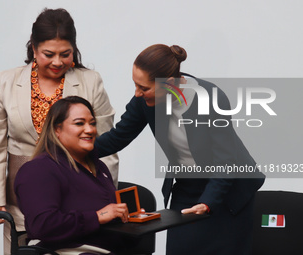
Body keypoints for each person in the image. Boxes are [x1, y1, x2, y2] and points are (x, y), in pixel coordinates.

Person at [95, 44, 265, 255]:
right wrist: (69, 151)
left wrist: (207, 202)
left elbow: (225, 160)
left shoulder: (210, 98)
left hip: (229, 190)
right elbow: (117, 138)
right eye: (135, 85)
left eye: (144, 88)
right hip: (188, 186)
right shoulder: (143, 102)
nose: (137, 93)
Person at [0, 8, 118, 255]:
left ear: (74, 50)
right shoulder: (6, 81)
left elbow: (106, 145)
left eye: (65, 54)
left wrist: (107, 200)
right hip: (20, 198)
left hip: (76, 197)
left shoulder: (91, 81)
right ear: (33, 48)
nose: (57, 62)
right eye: (48, 54)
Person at [14, 96, 131, 255]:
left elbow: (105, 218)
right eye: (79, 123)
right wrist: (97, 217)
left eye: (92, 123)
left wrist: (132, 219)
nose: (90, 130)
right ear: (57, 129)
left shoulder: (99, 167)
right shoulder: (39, 169)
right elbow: (42, 226)